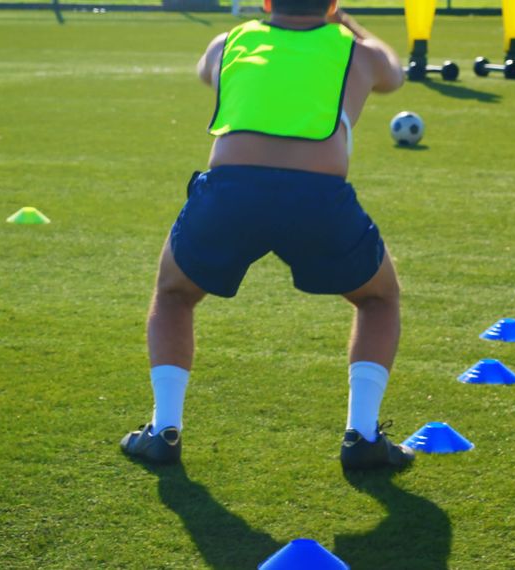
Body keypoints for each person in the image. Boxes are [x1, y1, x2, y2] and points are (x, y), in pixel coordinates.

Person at [121, 0, 413, 470]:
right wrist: (343, 25)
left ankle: (163, 430)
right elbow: (394, 74)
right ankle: (362, 436)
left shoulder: (228, 43)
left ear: (266, 1)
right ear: (334, 3)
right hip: (318, 197)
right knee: (379, 299)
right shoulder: (358, 53)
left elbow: (207, 73)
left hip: (232, 192)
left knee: (174, 295)